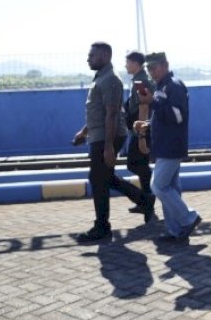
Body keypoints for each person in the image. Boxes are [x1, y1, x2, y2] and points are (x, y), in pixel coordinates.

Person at [72, 42, 153, 242]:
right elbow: (98, 113)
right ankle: (144, 198)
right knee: (104, 177)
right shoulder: (103, 78)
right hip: (106, 134)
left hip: (116, 134)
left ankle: (103, 226)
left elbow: (117, 112)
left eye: (92, 55)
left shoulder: (118, 80)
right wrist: (84, 132)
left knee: (100, 177)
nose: (88, 59)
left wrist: (111, 145)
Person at [134, 52, 202, 242]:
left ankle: (189, 218)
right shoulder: (161, 86)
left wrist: (152, 103)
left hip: (171, 145)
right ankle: (175, 230)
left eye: (154, 67)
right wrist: (148, 124)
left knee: (158, 186)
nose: (151, 72)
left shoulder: (174, 86)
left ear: (165, 65)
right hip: (164, 144)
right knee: (170, 187)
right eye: (148, 68)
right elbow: (163, 114)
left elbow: (178, 116)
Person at [124, 51, 156, 216]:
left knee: (135, 164)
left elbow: (144, 105)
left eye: (128, 62)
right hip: (139, 128)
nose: (125, 65)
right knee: (140, 165)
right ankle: (146, 201)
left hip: (140, 129)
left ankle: (147, 198)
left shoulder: (140, 81)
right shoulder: (139, 80)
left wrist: (140, 133)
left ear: (136, 63)